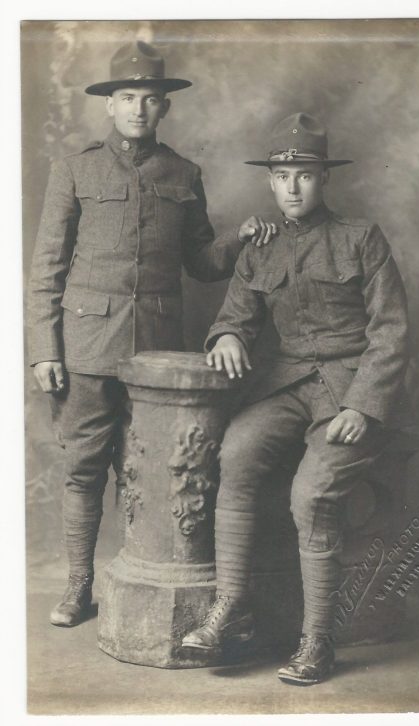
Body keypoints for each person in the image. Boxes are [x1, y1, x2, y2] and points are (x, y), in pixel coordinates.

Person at [27, 40, 277, 628]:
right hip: (88, 348)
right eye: (127, 97)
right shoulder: (76, 169)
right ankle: (79, 586)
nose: (138, 108)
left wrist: (240, 240)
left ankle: (136, 584)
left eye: (149, 99)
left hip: (159, 355)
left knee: (149, 470)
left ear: (165, 107)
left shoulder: (183, 173)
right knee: (85, 469)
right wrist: (43, 349)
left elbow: (201, 263)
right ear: (109, 105)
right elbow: (47, 268)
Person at [182, 112, 411, 685]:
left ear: (323, 178)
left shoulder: (361, 238)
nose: (292, 187)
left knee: (311, 495)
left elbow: (390, 331)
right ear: (270, 180)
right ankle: (230, 608)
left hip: (351, 391)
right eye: (282, 176)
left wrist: (363, 405)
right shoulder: (259, 246)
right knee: (235, 452)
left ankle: (317, 641)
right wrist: (228, 336)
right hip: (286, 386)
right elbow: (235, 315)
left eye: (304, 175)